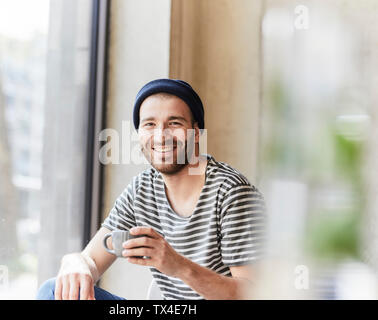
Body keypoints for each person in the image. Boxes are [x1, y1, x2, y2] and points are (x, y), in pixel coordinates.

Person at [37, 79, 266, 300]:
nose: (161, 135)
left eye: (174, 123)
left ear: (196, 134)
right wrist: (75, 263)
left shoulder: (232, 193)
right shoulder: (142, 189)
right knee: (52, 291)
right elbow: (91, 260)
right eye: (150, 124)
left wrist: (178, 266)